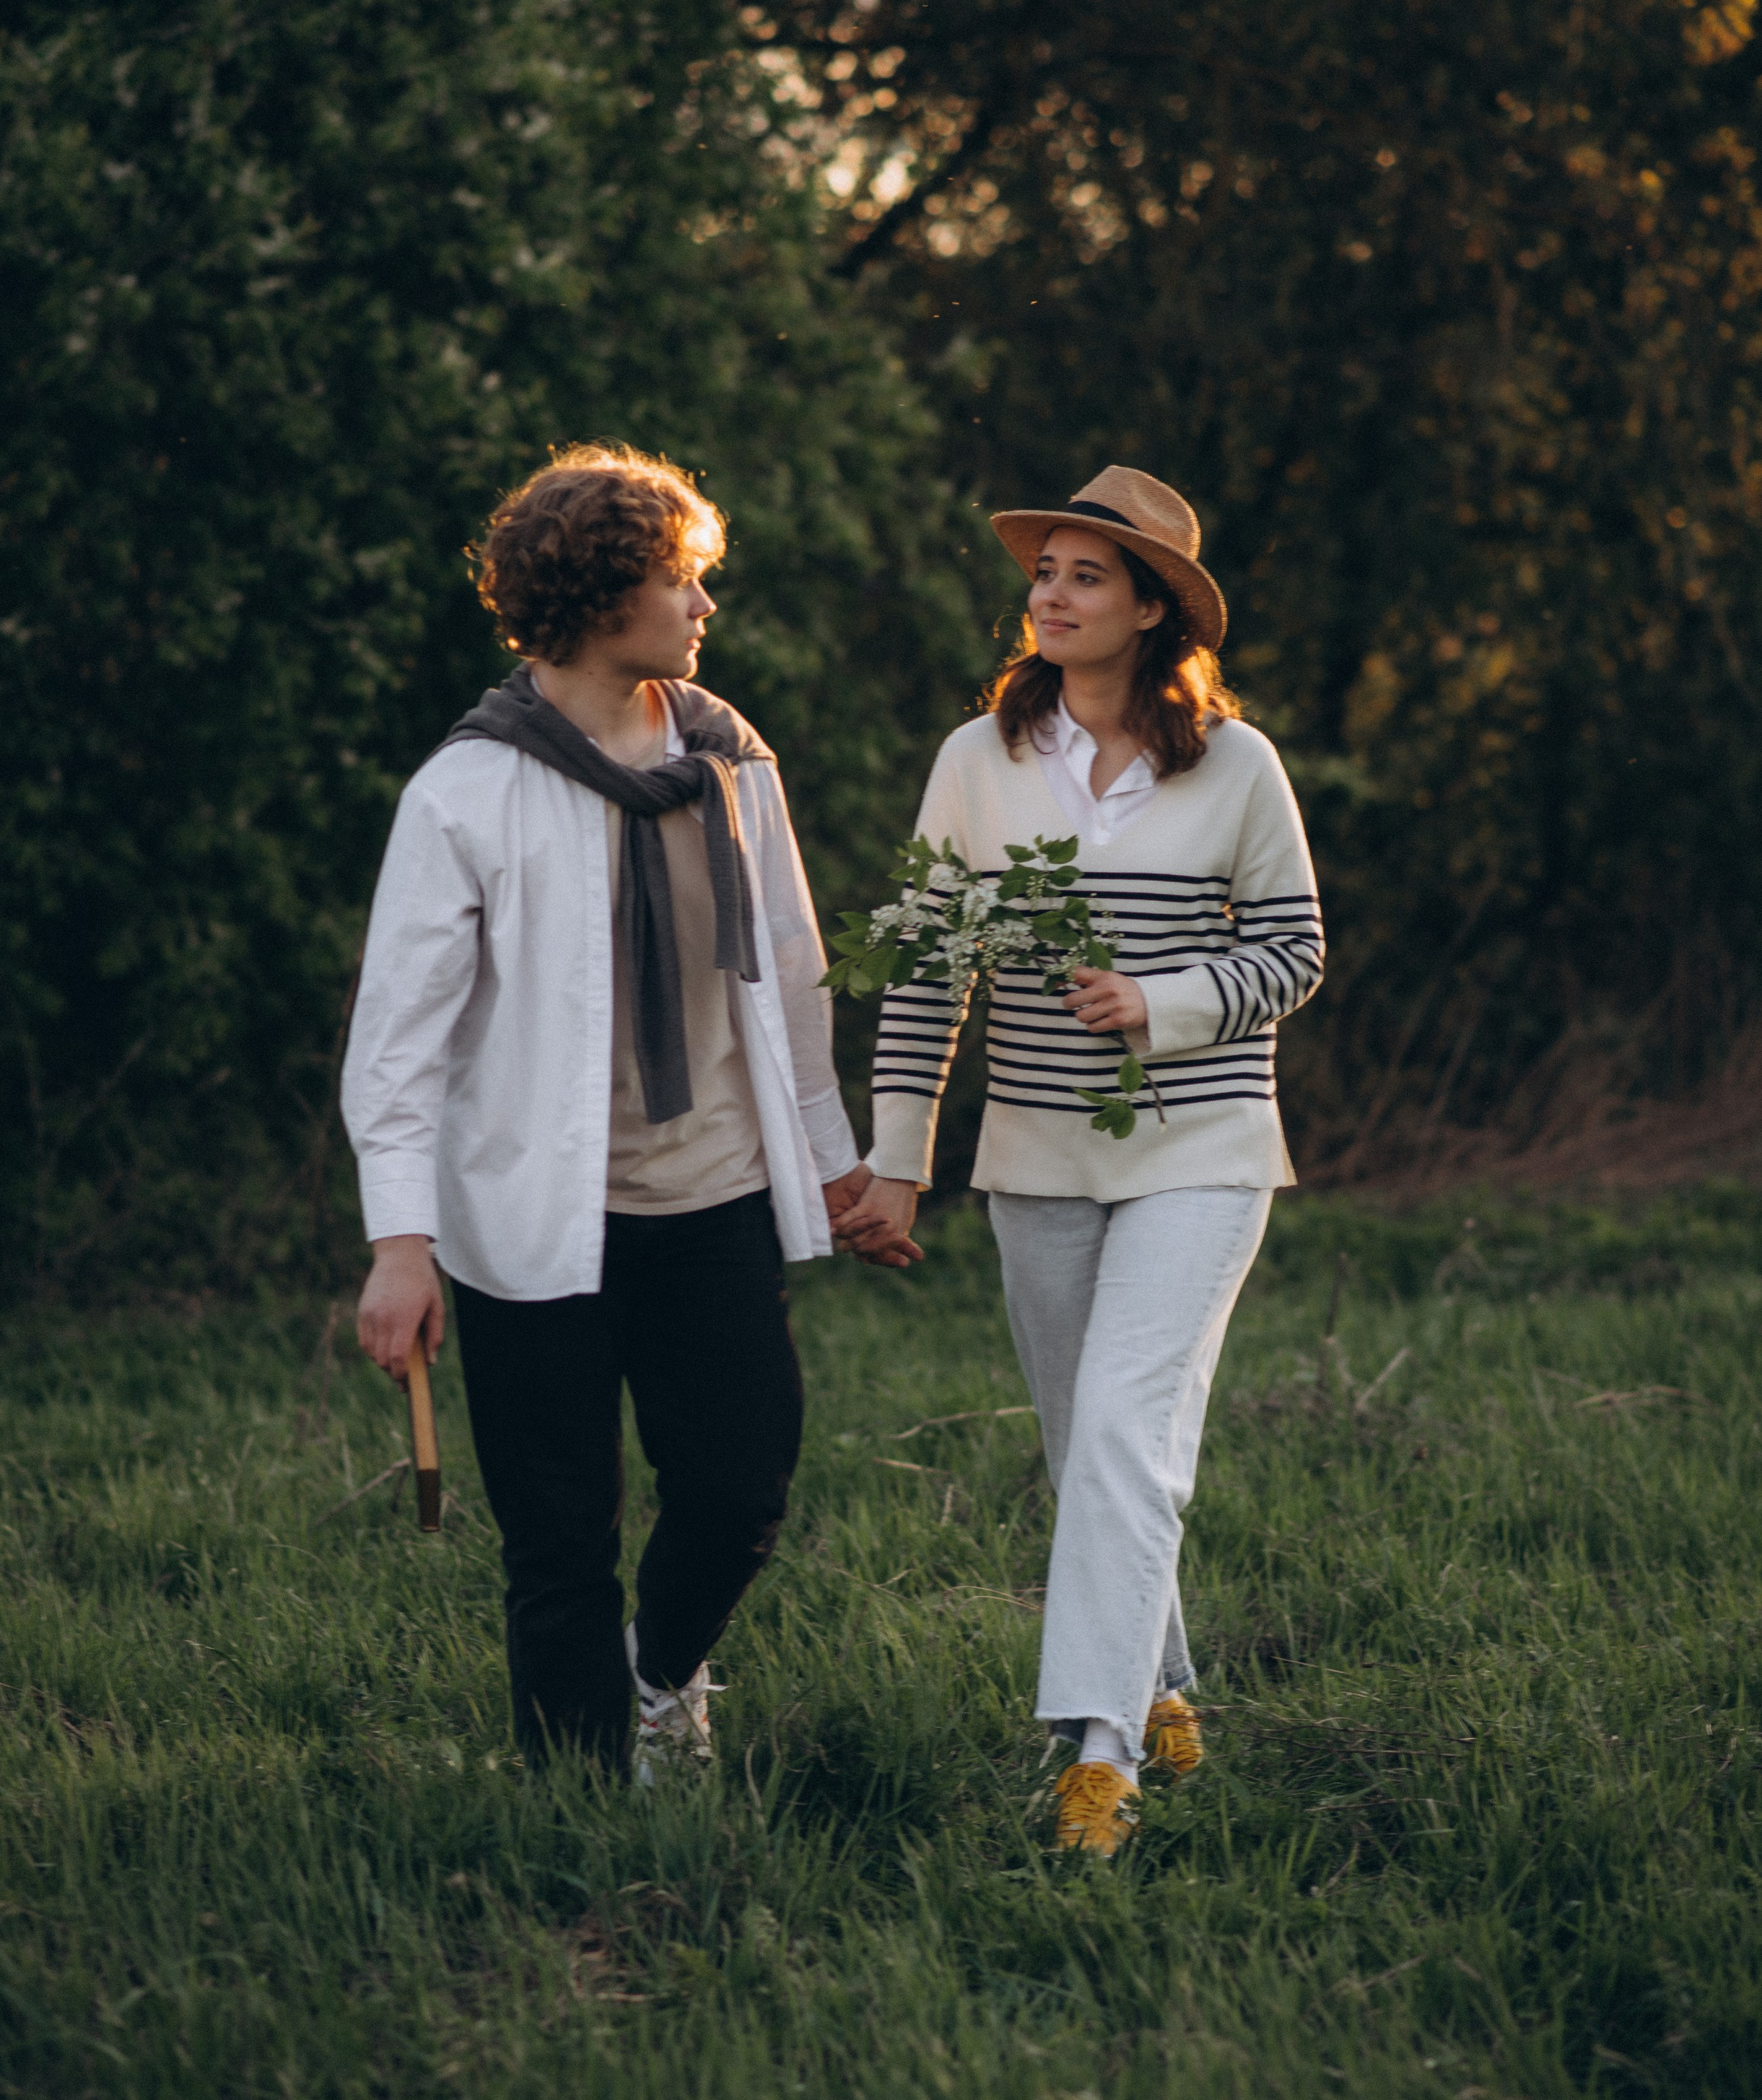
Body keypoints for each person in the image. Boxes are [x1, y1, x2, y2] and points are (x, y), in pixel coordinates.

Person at [341, 444, 894, 1781]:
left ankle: (660, 1677)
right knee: (556, 1538)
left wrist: (832, 1163)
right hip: (537, 1222)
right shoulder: (467, 791)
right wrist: (401, 1242)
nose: (704, 609)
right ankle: (577, 1822)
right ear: (600, 601)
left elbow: (796, 976)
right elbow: (399, 1042)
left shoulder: (729, 760)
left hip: (713, 1195)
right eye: (680, 582)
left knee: (739, 1487)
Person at [834, 466, 1323, 1856]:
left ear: (1153, 607)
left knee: (1121, 1423)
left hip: (1207, 1147)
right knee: (1085, 1446)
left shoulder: (1239, 766)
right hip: (1039, 1157)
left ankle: (1095, 1756)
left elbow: (1294, 954)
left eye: (1083, 575)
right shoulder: (975, 762)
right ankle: (1162, 1683)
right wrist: (897, 1160)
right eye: (1044, 572)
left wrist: (1158, 1004)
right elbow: (929, 970)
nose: (1048, 594)